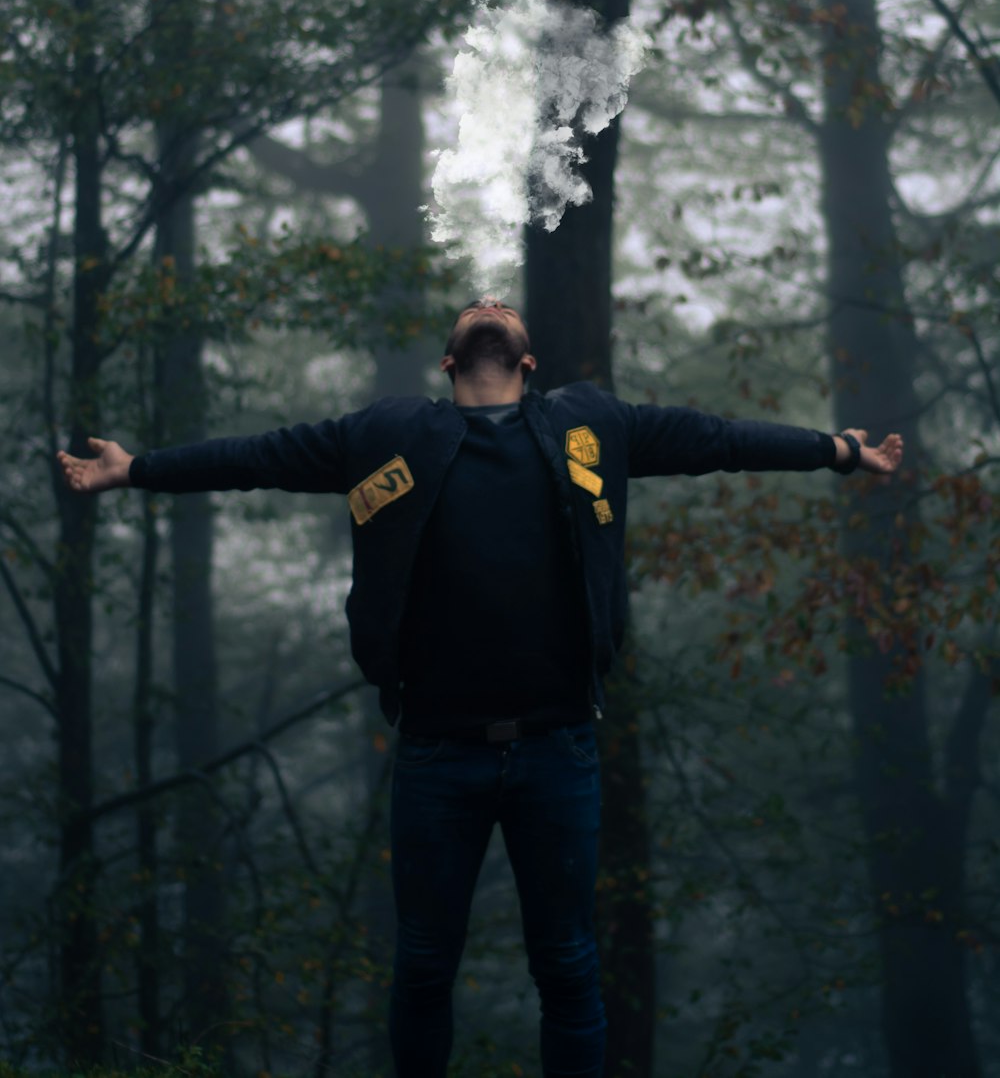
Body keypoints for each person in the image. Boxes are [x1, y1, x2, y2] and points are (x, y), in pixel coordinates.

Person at [58, 297, 904, 1078]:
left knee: (568, 964)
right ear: (448, 362)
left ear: (528, 362)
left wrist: (837, 452)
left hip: (558, 748)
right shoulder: (385, 435)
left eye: (501, 310)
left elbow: (717, 440)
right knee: (424, 965)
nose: (490, 308)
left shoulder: (592, 423)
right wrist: (137, 470)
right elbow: (260, 456)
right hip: (436, 754)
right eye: (475, 310)